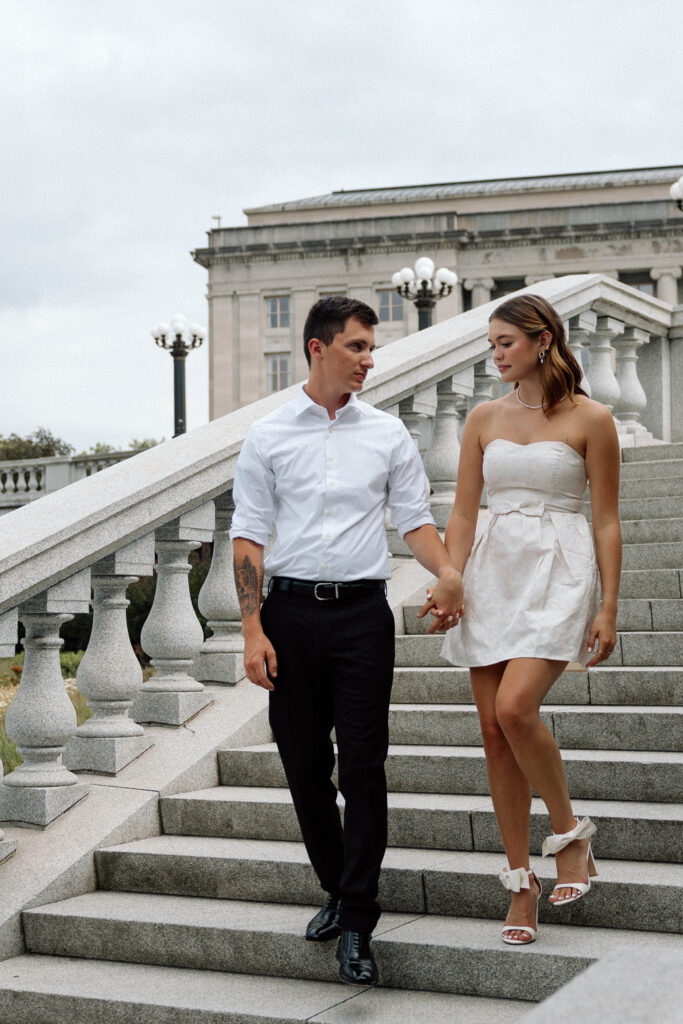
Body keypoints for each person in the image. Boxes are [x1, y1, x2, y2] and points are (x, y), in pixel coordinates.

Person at [230, 296, 462, 985]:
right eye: (357, 346)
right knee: (304, 769)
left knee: (361, 767)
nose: (368, 359)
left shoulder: (386, 433)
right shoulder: (267, 436)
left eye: (371, 348)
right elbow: (248, 535)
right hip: (290, 617)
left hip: (362, 616)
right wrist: (251, 629)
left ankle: (358, 920)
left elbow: (414, 522)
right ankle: (337, 885)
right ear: (317, 349)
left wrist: (448, 571)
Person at [423, 293, 621, 946]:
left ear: (542, 341)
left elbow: (605, 519)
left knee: (515, 710)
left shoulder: (593, 419)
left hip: (559, 569)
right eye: (490, 343)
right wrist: (448, 578)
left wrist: (608, 605)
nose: (495, 353)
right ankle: (519, 882)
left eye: (504, 341)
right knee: (490, 731)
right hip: (489, 571)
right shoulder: (481, 417)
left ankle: (568, 836)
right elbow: (460, 511)